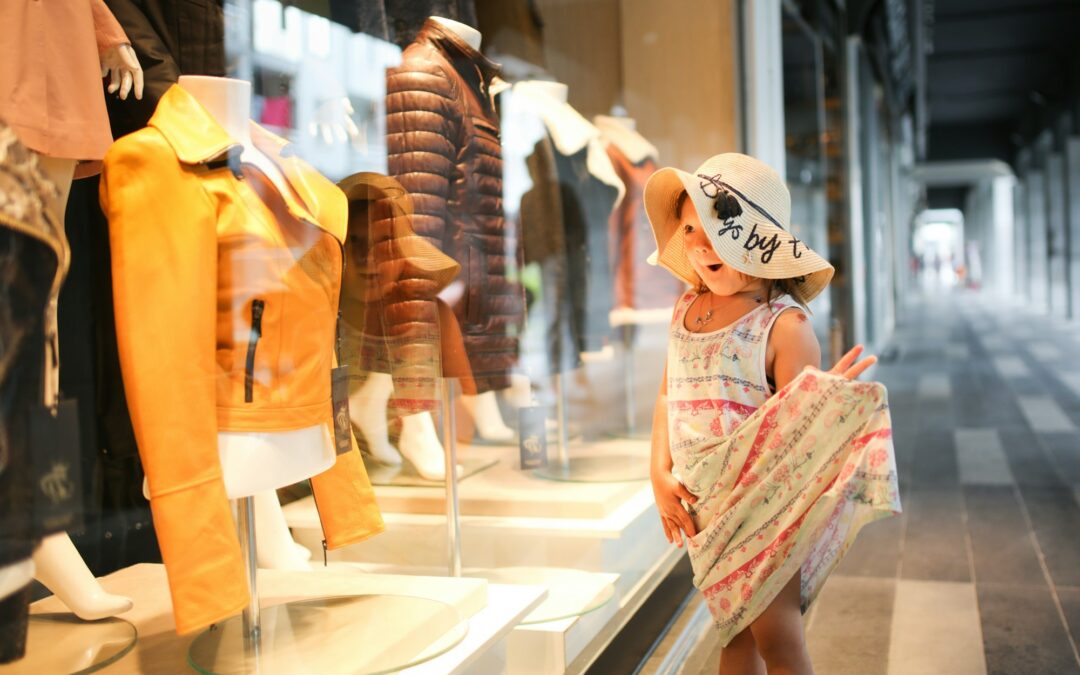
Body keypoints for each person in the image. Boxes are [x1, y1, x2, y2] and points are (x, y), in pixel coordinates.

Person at [645, 153, 900, 674]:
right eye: (689, 228)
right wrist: (657, 471)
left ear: (756, 239)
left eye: (716, 229)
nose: (697, 244)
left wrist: (825, 403)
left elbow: (796, 436)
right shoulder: (683, 310)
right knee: (734, 630)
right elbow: (668, 394)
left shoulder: (783, 327)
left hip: (763, 506)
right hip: (705, 509)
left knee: (778, 638)